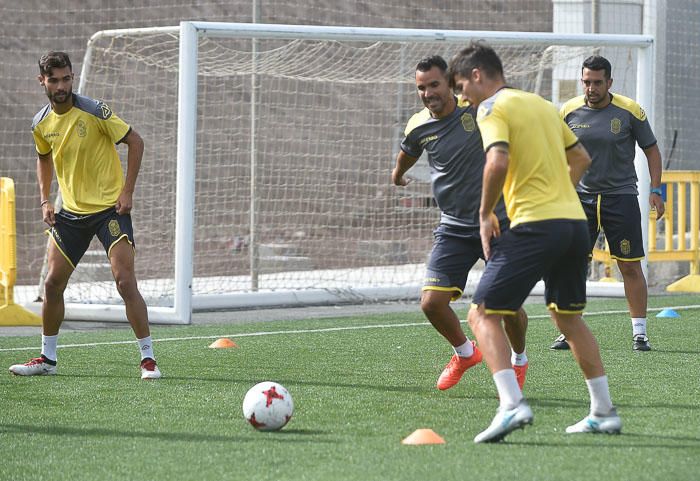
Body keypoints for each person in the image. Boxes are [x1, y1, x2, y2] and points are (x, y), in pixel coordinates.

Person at [448, 43, 621, 443]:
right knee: (567, 317)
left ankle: (511, 404)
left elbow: (498, 161)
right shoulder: (544, 105)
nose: (462, 98)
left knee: (481, 315)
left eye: (461, 86)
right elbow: (580, 159)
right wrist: (560, 192)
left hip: (536, 224)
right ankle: (603, 411)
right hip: (574, 224)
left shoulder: (491, 108)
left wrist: (484, 213)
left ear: (477, 75)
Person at [8, 51, 161, 380]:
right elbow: (43, 158)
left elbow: (135, 141)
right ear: (42, 82)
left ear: (72, 78)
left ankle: (148, 359)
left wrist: (128, 191)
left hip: (110, 210)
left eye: (66, 78)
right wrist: (44, 200)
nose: (61, 86)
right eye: (54, 80)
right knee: (51, 284)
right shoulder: (40, 123)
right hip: (71, 214)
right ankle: (47, 359)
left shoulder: (94, 111)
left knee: (124, 281)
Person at [393, 55, 528, 392]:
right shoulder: (418, 125)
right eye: (421, 88)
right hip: (453, 225)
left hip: (498, 221)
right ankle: (465, 353)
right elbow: (408, 150)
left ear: (450, 83)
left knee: (506, 306)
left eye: (434, 85)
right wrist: (398, 175)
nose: (427, 93)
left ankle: (519, 359)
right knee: (431, 302)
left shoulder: (477, 108)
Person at [551, 55, 664, 352]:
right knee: (572, 264)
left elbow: (651, 150)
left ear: (609, 82)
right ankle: (568, 331)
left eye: (597, 82)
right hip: (580, 200)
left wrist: (656, 190)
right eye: (586, 82)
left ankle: (639, 332)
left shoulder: (630, 111)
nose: (591, 88)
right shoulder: (568, 111)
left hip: (621, 197)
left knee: (629, 265)